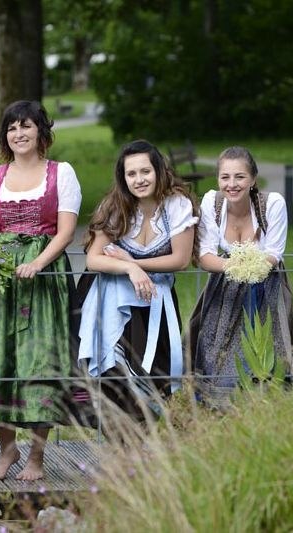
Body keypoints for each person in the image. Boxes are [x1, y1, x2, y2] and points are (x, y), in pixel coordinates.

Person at [0, 100, 82, 481]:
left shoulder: (62, 173)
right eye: (11, 127)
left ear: (42, 132)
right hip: (0, 279)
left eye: (26, 126)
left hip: (43, 279)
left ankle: (37, 457)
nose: (18, 134)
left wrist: (38, 263)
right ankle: (7, 450)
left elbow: (65, 231)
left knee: (39, 360)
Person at [77, 139, 198, 422]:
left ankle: (150, 442)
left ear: (158, 171)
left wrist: (132, 262)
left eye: (145, 171)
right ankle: (120, 441)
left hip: (155, 298)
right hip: (111, 297)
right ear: (123, 178)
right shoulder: (116, 206)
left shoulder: (176, 205)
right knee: (115, 372)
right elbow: (93, 259)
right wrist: (130, 271)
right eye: (131, 174)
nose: (139, 179)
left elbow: (180, 260)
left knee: (157, 369)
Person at [186, 146, 293, 406]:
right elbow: (204, 255)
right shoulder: (212, 203)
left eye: (239, 177)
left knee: (265, 346)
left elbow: (273, 254)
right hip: (223, 284)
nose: (232, 184)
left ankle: (265, 404)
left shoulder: (272, 204)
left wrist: (250, 269)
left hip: (265, 283)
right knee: (215, 345)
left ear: (253, 180)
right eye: (225, 177)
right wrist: (235, 268)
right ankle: (216, 404)